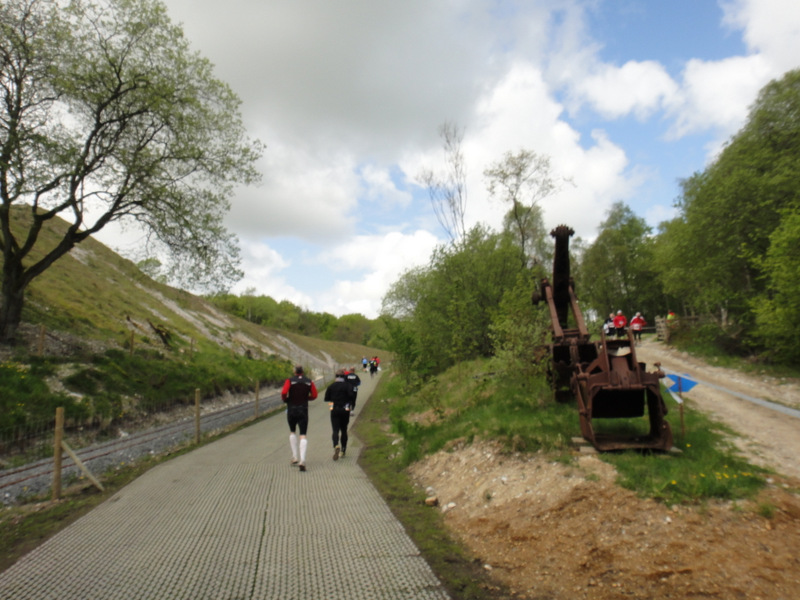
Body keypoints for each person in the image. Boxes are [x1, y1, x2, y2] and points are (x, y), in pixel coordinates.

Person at [281, 365, 318, 472]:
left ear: (294, 371)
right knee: (303, 434)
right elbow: (315, 395)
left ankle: (294, 457)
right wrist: (307, 398)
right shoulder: (309, 382)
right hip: (303, 409)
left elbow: (284, 392)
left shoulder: (290, 381)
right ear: (303, 371)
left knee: (292, 431)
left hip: (291, 408)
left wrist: (286, 399)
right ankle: (302, 460)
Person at [325, 369, 354, 460]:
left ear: (336, 377)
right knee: (344, 430)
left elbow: (326, 398)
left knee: (335, 430)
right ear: (344, 377)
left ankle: (336, 445)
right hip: (345, 409)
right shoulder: (348, 386)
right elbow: (352, 396)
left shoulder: (331, 386)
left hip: (334, 409)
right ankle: (343, 450)